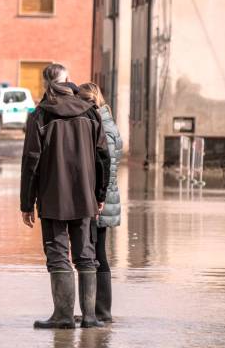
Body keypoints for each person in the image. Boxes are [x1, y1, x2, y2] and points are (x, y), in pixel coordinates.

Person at [20, 64, 110, 329]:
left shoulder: (41, 114)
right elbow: (103, 157)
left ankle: (63, 316)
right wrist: (100, 194)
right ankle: (91, 317)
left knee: (58, 254)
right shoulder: (91, 112)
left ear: (46, 84)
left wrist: (27, 202)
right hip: (85, 195)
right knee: (86, 254)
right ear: (69, 82)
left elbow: (30, 161)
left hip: (51, 196)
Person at [78, 82, 123, 323]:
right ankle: (98, 311)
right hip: (108, 195)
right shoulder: (109, 122)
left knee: (96, 254)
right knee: (98, 251)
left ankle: (100, 311)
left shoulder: (98, 124)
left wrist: (98, 196)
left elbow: (102, 164)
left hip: (100, 198)